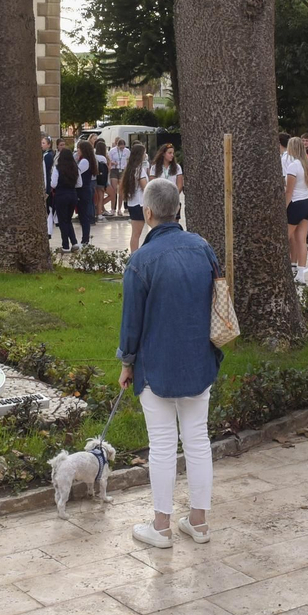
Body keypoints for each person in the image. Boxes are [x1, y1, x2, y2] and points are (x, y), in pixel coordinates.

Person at [118, 177, 222, 549]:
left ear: (147, 213)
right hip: (199, 359)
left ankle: (161, 526)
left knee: (162, 444)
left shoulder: (141, 260)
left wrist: (127, 363)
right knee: (198, 439)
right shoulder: (203, 248)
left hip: (156, 364)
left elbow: (131, 321)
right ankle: (199, 522)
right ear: (176, 209)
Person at [281, 134, 308, 273]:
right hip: (307, 201)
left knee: (285, 238)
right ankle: (300, 272)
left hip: (296, 203)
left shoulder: (293, 166)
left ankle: (283, 268)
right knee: (301, 240)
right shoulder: (307, 164)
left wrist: (284, 207)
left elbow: (289, 191)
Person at [49, 147, 81, 252]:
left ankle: (65, 246)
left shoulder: (57, 168)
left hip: (61, 195)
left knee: (62, 221)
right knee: (68, 220)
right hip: (72, 194)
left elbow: (53, 184)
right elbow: (79, 184)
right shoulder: (75, 168)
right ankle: (74, 242)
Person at [117, 148, 149, 252]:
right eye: (144, 153)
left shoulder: (130, 169)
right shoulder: (139, 170)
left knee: (135, 234)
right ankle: (134, 254)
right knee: (137, 234)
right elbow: (145, 187)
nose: (145, 155)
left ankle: (134, 253)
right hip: (140, 204)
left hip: (132, 203)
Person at [107, 138, 131, 220]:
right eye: (120, 147)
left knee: (121, 190)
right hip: (114, 169)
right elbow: (109, 160)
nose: (122, 148)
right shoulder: (112, 151)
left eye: (123, 147)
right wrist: (113, 162)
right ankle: (113, 208)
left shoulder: (127, 151)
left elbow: (129, 160)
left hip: (123, 170)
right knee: (114, 190)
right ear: (117, 145)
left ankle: (119, 209)